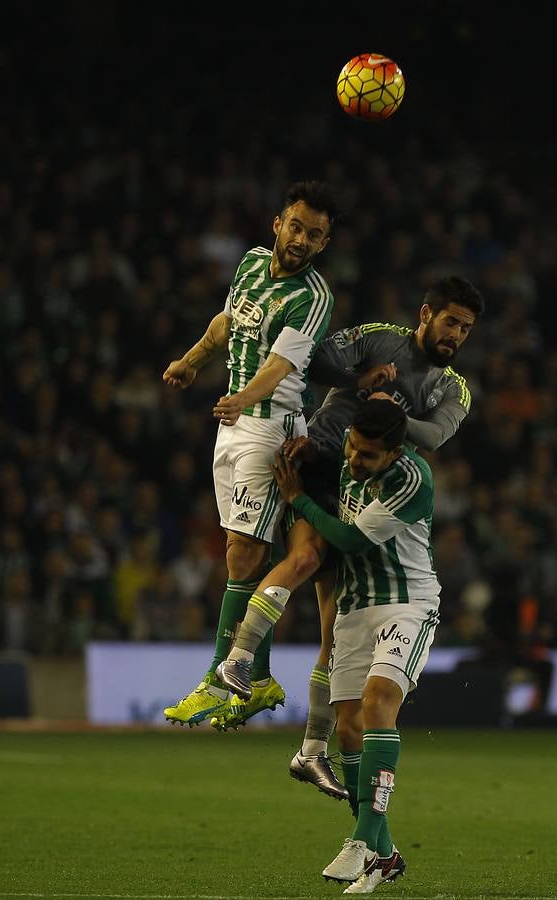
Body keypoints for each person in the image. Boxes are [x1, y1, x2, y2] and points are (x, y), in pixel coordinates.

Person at [213, 276, 483, 798]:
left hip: (364, 488)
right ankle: (238, 658)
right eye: (451, 322)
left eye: (466, 329)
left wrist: (392, 409)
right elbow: (312, 359)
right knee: (306, 556)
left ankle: (312, 751)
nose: (457, 335)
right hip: (320, 461)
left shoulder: (454, 388)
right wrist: (362, 380)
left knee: (333, 629)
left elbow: (436, 435)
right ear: (426, 314)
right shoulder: (382, 339)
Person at [162, 180, 339, 727]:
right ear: (277, 224)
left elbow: (282, 367)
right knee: (238, 553)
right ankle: (257, 681)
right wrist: (193, 360)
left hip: (271, 427)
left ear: (323, 243)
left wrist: (242, 396)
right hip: (232, 426)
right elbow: (227, 323)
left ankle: (221, 678)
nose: (302, 239)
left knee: (244, 553)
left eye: (315, 234)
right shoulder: (250, 265)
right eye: (297, 227)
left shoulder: (312, 299)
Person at [271, 398, 441, 893]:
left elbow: (349, 541)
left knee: (377, 703)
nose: (354, 460)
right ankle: (384, 856)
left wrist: (298, 499)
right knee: (348, 728)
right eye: (352, 447)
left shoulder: (413, 480)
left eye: (367, 455)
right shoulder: (348, 460)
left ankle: (363, 838)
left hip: (406, 603)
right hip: (354, 609)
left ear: (394, 453)